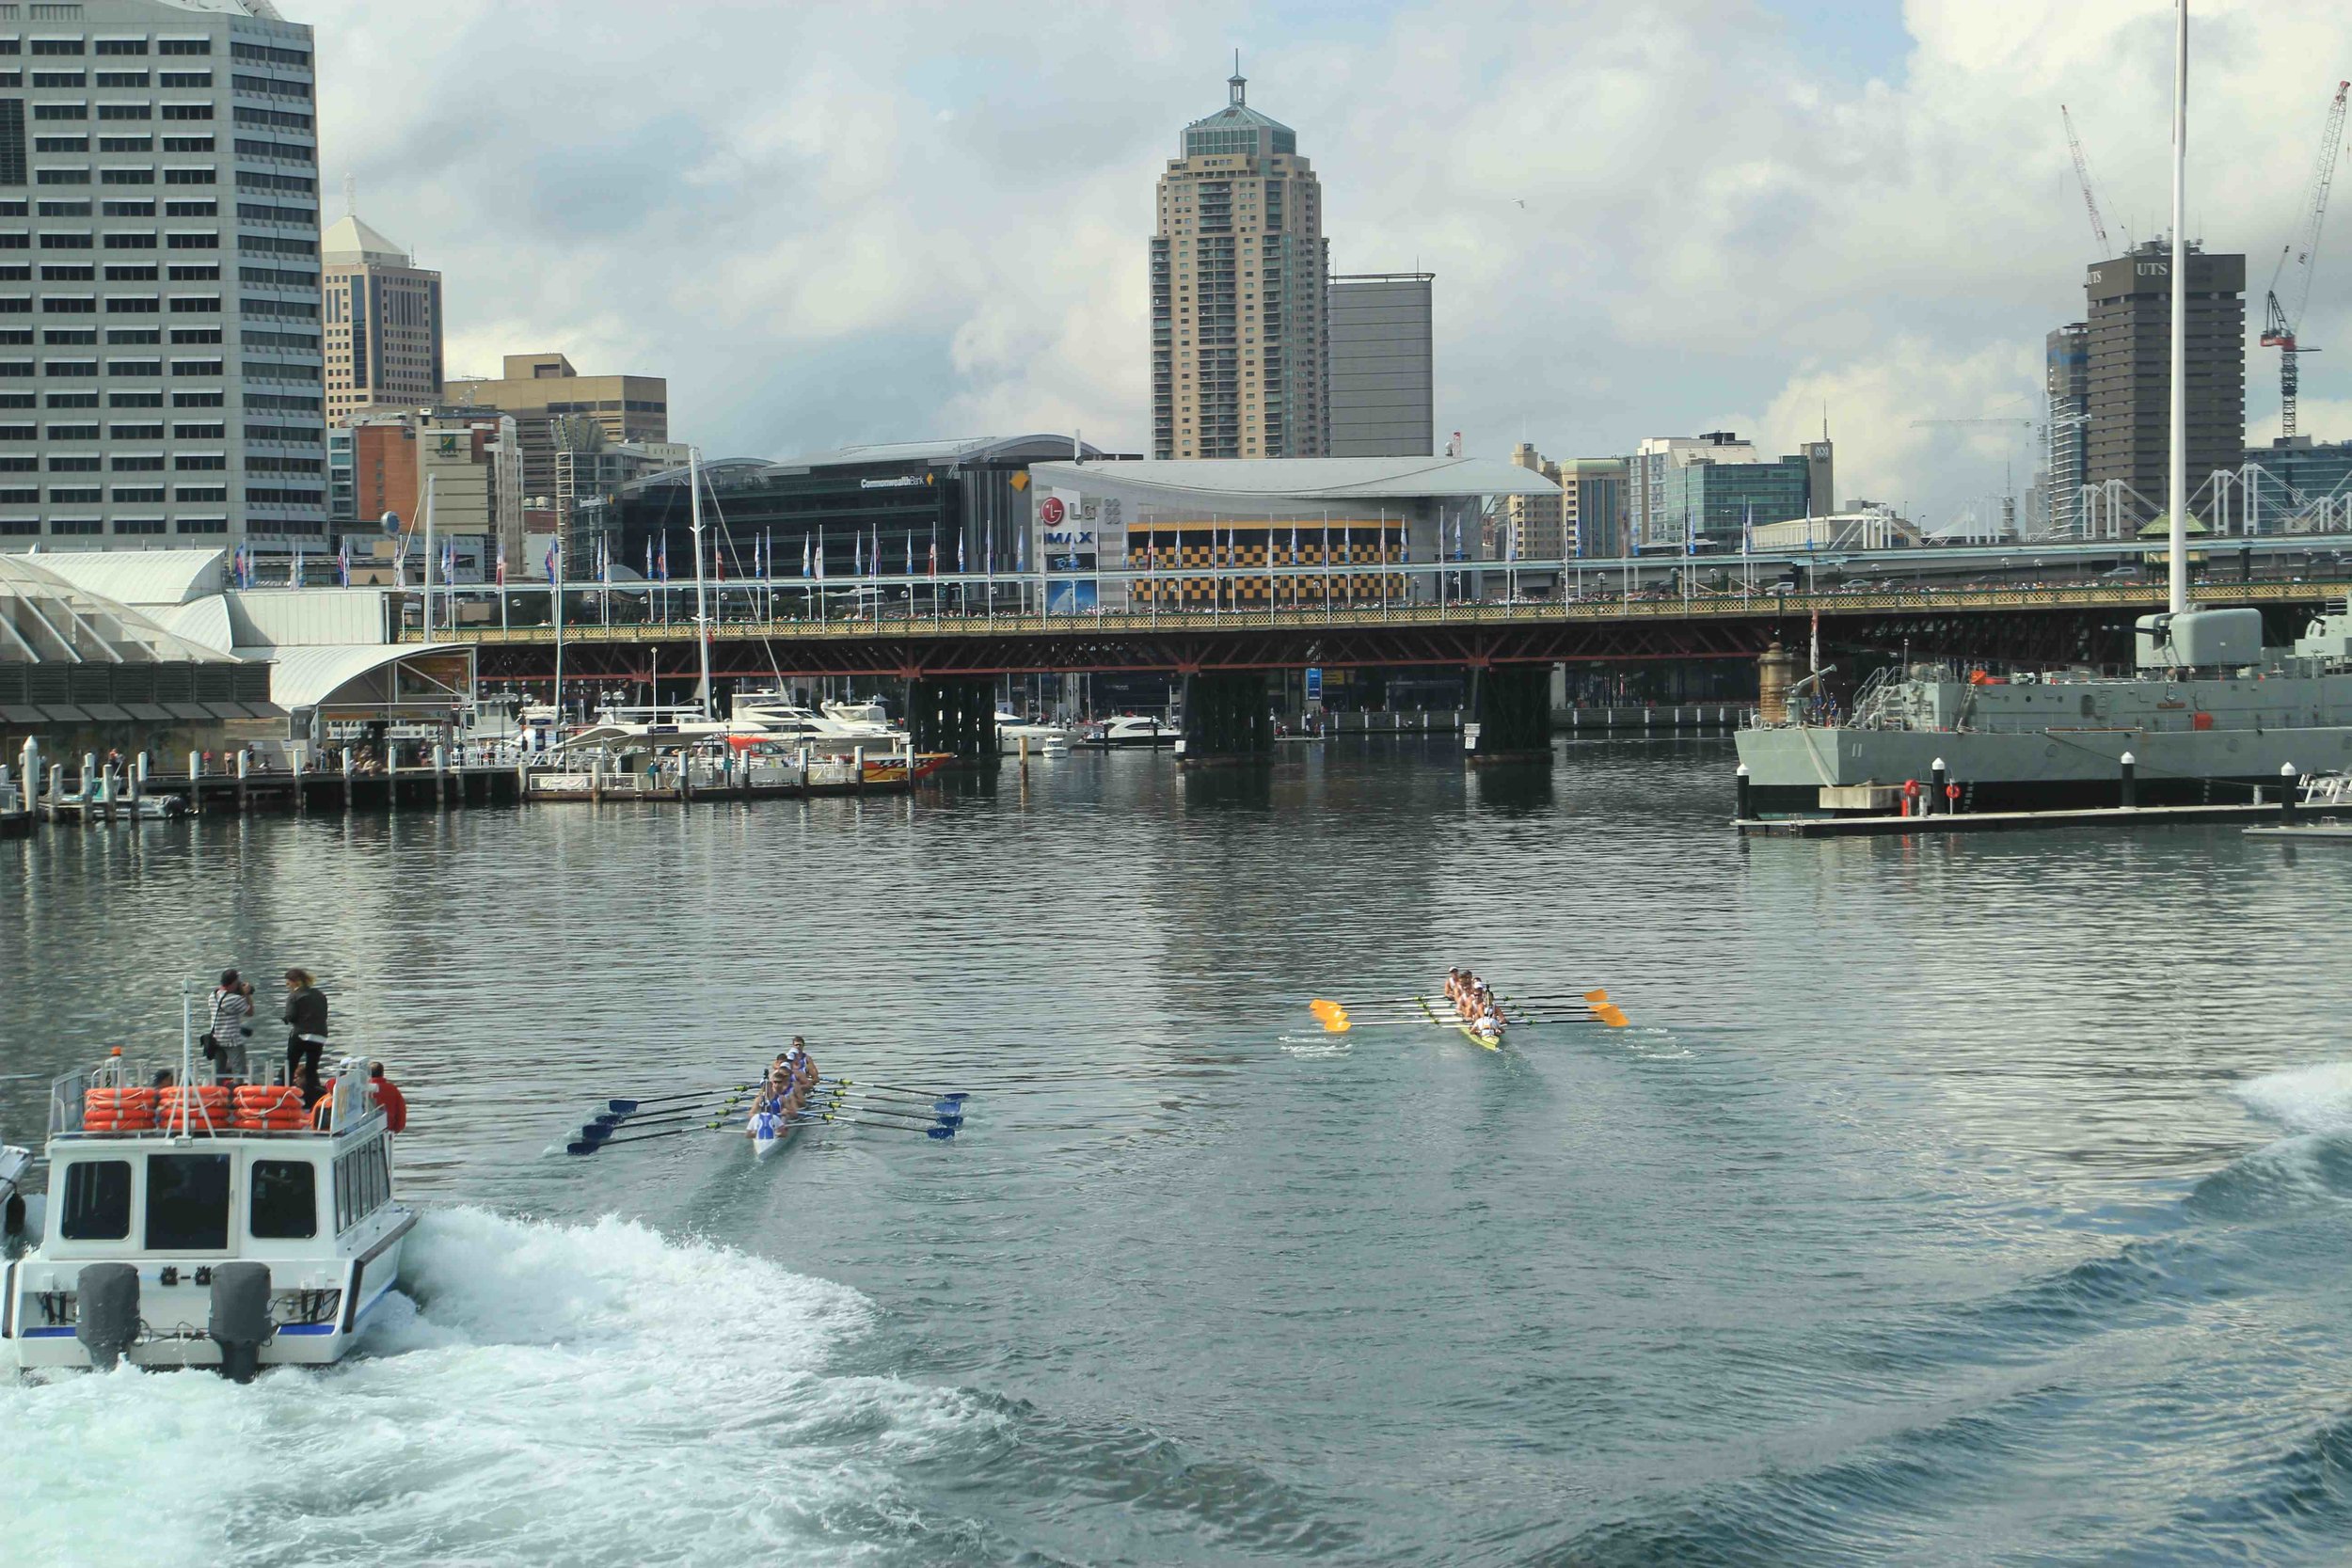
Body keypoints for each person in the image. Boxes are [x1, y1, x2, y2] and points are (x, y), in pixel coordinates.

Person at [205, 970, 254, 1083]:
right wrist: (246, 995)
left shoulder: (212, 996)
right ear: (233, 982)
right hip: (232, 1040)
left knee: (218, 1071)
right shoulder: (234, 999)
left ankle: (217, 1094)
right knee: (239, 1071)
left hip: (216, 1039)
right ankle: (237, 1094)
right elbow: (250, 1012)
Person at [282, 969, 328, 1083]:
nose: (287, 985)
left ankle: (285, 1091)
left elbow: (291, 1016)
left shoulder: (294, 996)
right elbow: (324, 1013)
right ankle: (313, 1093)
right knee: (312, 1068)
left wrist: (286, 1019)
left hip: (301, 1035)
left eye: (288, 982)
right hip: (320, 1035)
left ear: (296, 982)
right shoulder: (320, 994)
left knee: (291, 1065)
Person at [369, 1061, 406, 1133]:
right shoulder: (392, 1089)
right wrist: (396, 1129)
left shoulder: (362, 1090)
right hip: (388, 1130)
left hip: (366, 1131)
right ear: (382, 1073)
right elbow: (401, 1111)